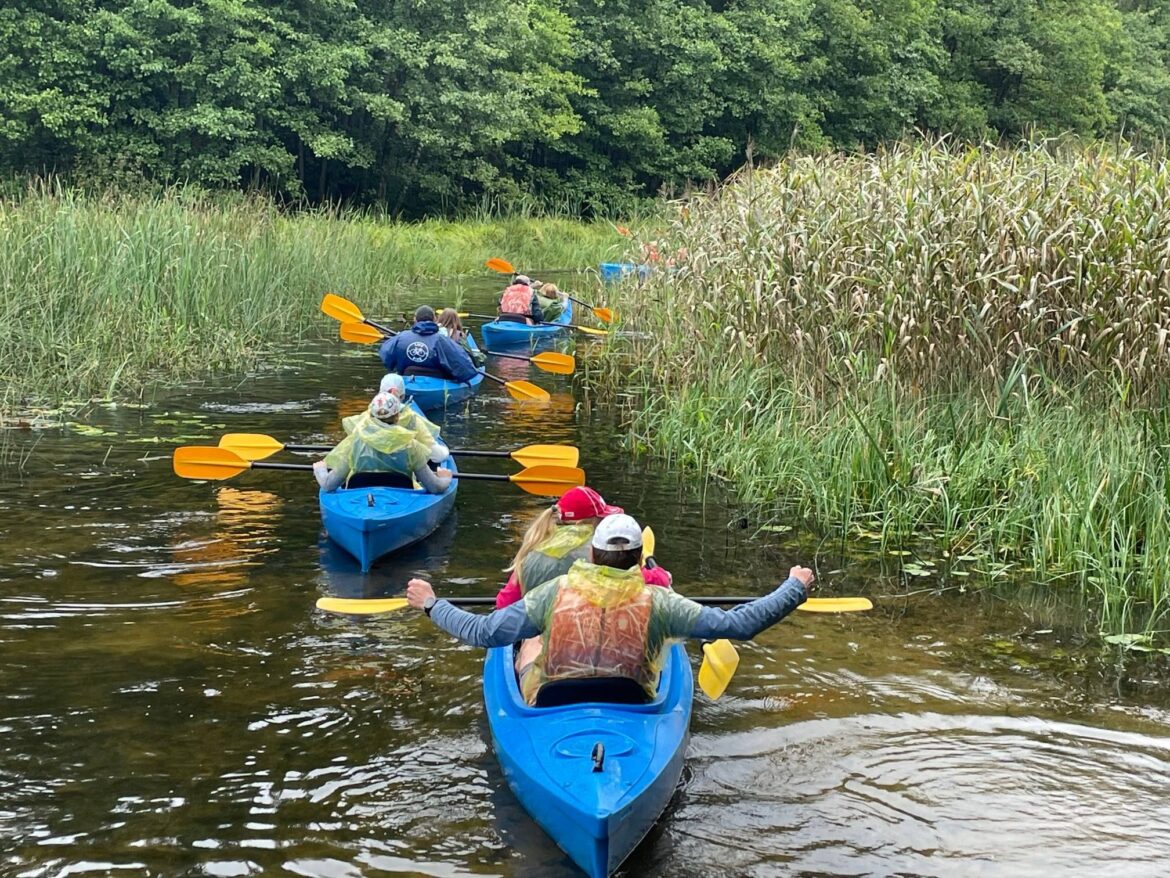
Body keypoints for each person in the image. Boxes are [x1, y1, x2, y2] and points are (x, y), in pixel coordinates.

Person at [406, 514, 814, 704]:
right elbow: (739, 624)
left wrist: (431, 603)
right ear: (640, 560)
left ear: (593, 555)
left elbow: (483, 632)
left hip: (551, 700)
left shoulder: (552, 592)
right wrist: (793, 588)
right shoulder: (661, 602)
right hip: (631, 700)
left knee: (528, 641)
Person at [494, 486, 670, 609]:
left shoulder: (534, 548)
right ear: (583, 523)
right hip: (583, 634)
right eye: (600, 519)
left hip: (536, 639)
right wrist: (661, 575)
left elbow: (504, 604)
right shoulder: (598, 552)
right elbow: (640, 579)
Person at [313, 392, 452, 494]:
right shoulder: (411, 445)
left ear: (371, 416)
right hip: (401, 497)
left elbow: (328, 484)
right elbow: (434, 487)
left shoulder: (354, 442)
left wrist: (320, 469)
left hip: (358, 495)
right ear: (397, 417)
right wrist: (445, 478)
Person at [379, 305, 478, 384]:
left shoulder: (401, 337)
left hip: (408, 379)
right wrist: (467, 376)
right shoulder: (442, 341)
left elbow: (385, 355)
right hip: (437, 380)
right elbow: (463, 365)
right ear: (435, 319)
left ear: (415, 319)